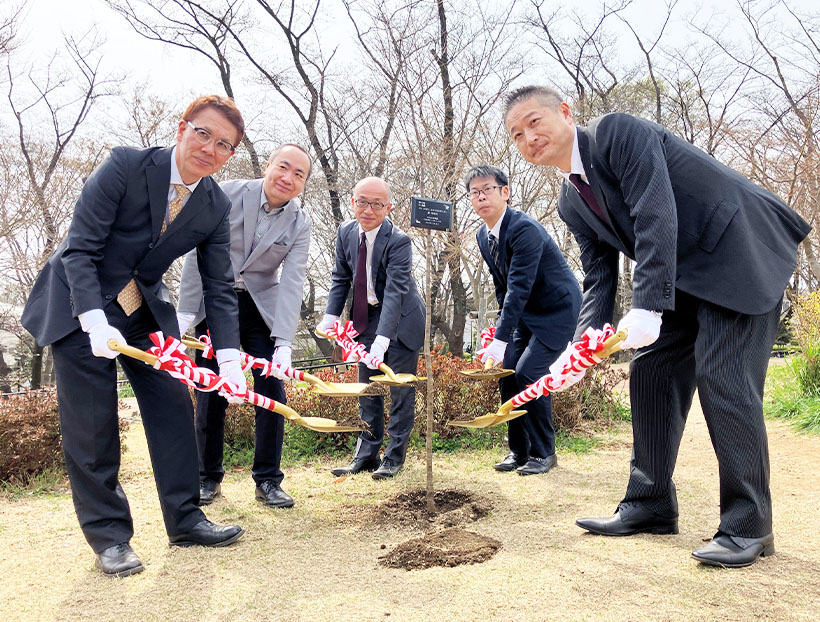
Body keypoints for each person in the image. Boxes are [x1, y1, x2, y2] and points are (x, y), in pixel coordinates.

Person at [504, 85, 811, 567]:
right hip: (684, 277)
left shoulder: (617, 132)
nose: (528, 138)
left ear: (565, 112)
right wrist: (584, 345)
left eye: (535, 121)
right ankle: (649, 504)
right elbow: (599, 275)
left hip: (738, 251)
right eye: (517, 135)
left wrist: (646, 306)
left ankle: (748, 527)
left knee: (723, 379)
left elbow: (655, 212)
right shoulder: (571, 201)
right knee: (650, 372)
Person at [20, 95, 250, 578]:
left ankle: (185, 520)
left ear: (231, 155)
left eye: (224, 144)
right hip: (78, 303)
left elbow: (218, 284)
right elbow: (78, 250)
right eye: (203, 133)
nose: (210, 148)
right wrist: (92, 319)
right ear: (182, 128)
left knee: (172, 402)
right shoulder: (126, 165)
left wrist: (229, 354)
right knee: (93, 423)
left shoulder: (213, 204)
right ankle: (110, 538)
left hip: (143, 311)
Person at [177, 144, 312, 509]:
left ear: (304, 184)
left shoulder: (300, 222)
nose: (288, 178)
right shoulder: (227, 193)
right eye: (283, 167)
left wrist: (284, 339)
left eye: (299, 175)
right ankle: (207, 478)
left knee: (271, 391)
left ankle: (268, 479)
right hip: (212, 299)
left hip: (259, 305)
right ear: (268, 165)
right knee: (209, 389)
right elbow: (196, 251)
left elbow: (293, 280)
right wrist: (185, 314)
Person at [467, 165, 581, 475]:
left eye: (487, 189)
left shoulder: (524, 229)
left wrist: (500, 338)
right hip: (526, 315)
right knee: (508, 372)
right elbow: (502, 288)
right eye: (474, 192)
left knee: (530, 373)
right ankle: (518, 450)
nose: (481, 197)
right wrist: (501, 336)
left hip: (556, 311)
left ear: (504, 192)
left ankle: (544, 453)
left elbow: (519, 287)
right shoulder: (482, 234)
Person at [316, 177, 425, 480]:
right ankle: (366, 455)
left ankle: (394, 457)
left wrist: (382, 340)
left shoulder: (399, 240)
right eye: (362, 201)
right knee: (369, 390)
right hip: (366, 318)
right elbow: (341, 277)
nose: (368, 209)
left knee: (400, 390)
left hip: (401, 320)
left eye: (377, 204)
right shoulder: (346, 232)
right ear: (352, 202)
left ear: (388, 207)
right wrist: (330, 315)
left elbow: (394, 292)